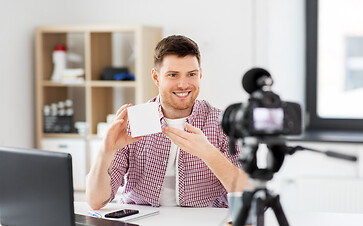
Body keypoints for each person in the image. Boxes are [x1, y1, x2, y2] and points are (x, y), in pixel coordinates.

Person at [86, 35, 248, 210]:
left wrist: (208, 153)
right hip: (143, 225)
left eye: (191, 74)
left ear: (200, 74)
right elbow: (96, 201)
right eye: (173, 75)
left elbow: (247, 192)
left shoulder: (223, 123)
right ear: (156, 77)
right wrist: (106, 150)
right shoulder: (133, 122)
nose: (183, 84)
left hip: (203, 224)